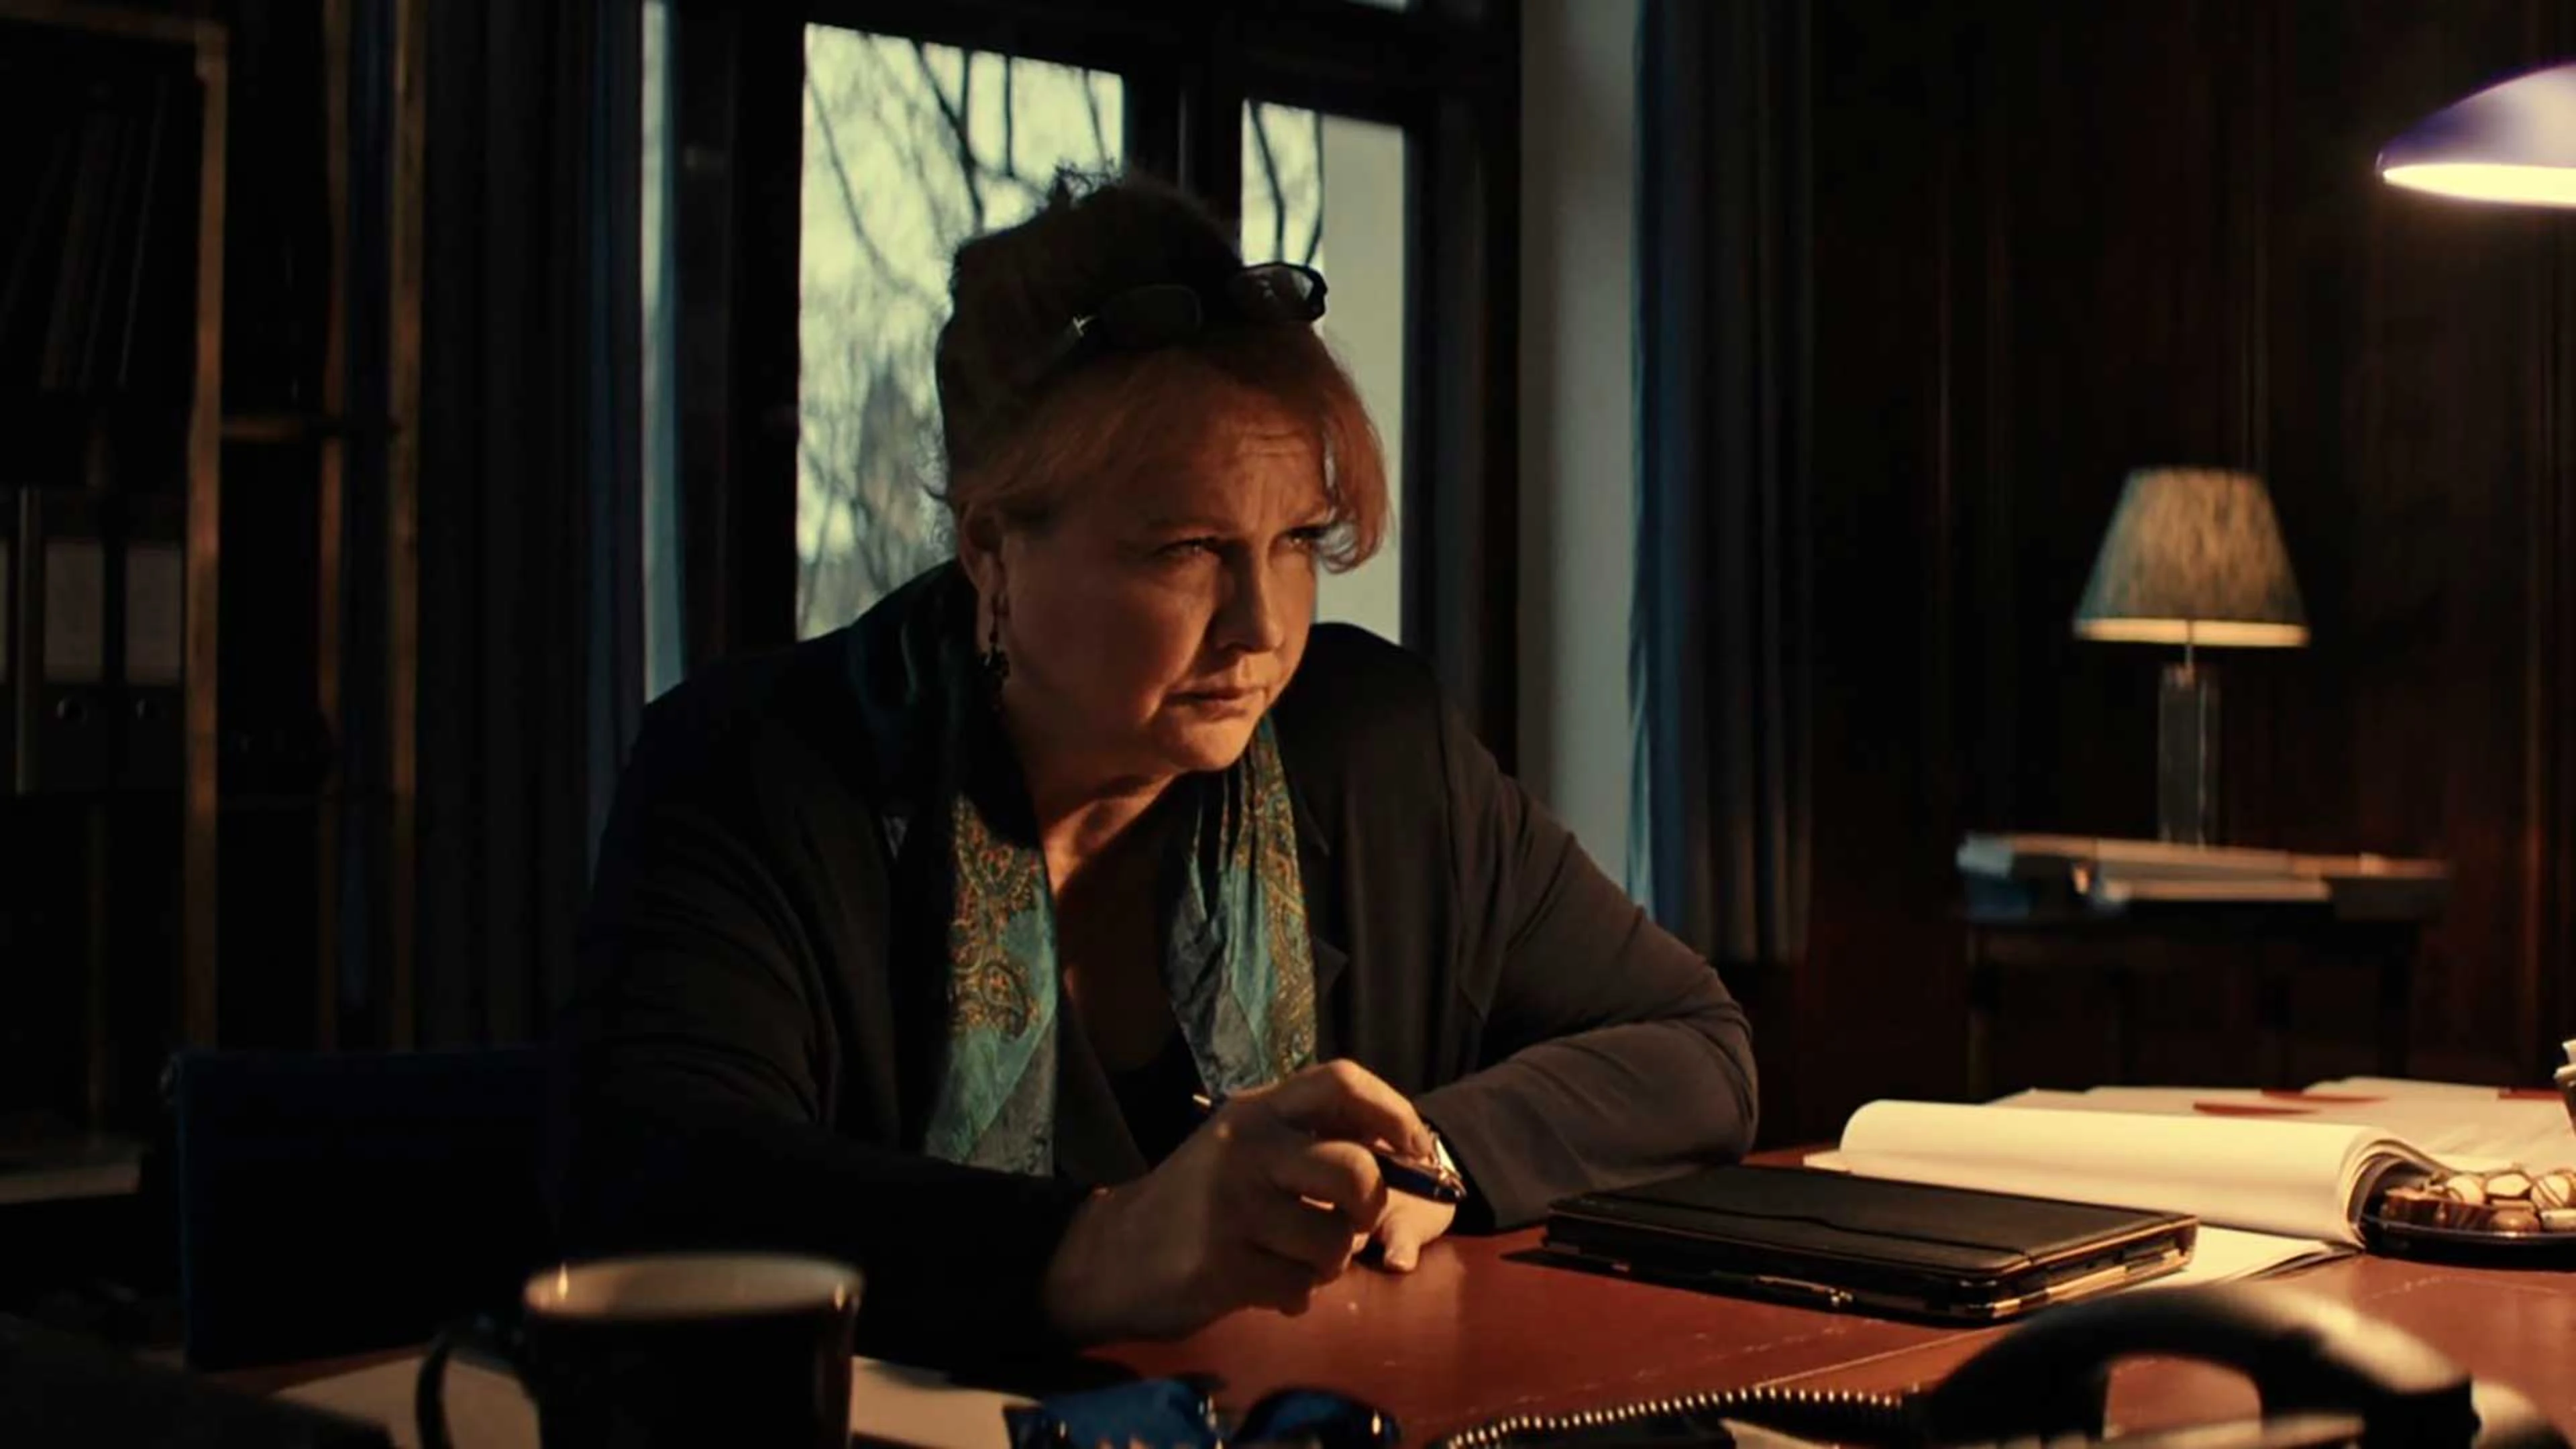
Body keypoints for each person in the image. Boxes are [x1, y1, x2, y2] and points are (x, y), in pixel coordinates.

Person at [553, 174, 1755, 1367]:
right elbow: (662, 1185)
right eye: (1186, 549)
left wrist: (1425, 1160)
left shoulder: (1375, 748)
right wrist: (1106, 1247)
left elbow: (1694, 1048)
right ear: (992, 550)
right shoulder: (753, 769)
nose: (1260, 626)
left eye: (1295, 540)